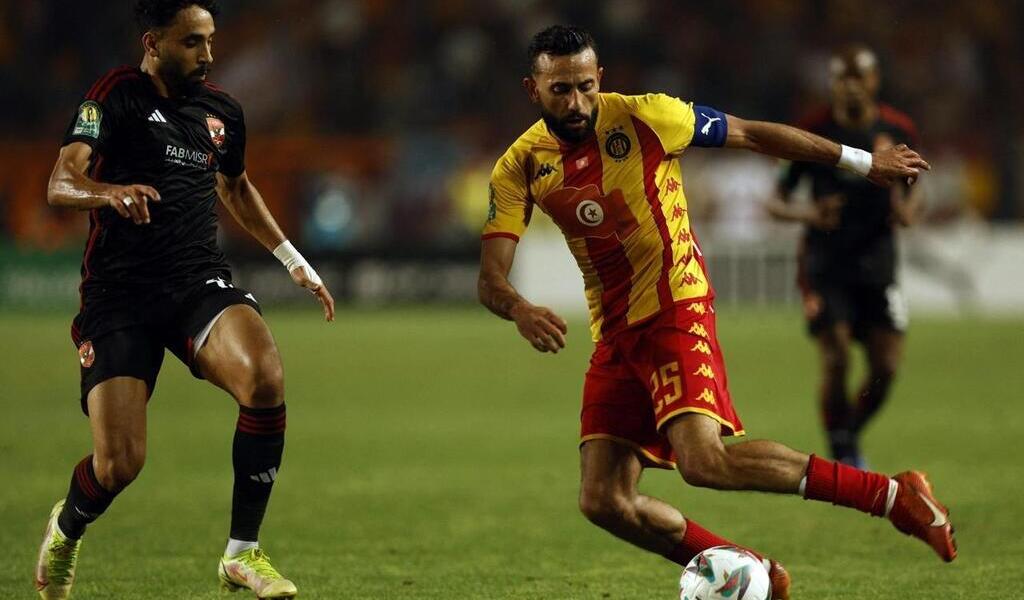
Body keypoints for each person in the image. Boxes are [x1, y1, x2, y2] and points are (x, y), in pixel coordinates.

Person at [477, 26, 955, 599]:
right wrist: (519, 307)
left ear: (599, 78)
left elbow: (753, 134)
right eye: (561, 91)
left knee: (704, 460)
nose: (576, 103)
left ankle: (895, 497)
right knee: (602, 500)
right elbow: (490, 278)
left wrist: (861, 162)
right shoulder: (519, 165)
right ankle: (753, 569)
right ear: (533, 89)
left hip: (676, 305)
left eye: (585, 86)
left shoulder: (648, 117)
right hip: (616, 333)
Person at [35, 2, 334, 598]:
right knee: (119, 465)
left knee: (266, 378)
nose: (208, 55)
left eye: (211, 41)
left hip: (196, 283)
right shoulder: (112, 97)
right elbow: (59, 182)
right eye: (193, 43)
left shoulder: (220, 112)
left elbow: (237, 187)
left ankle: (242, 552)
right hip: (119, 296)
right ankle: (66, 529)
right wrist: (109, 193)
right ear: (154, 42)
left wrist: (293, 260)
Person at [767, 45, 922, 466]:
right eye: (842, 78)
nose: (852, 87)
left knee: (886, 367)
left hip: (878, 262)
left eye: (860, 77)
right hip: (825, 263)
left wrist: (907, 210)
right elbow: (774, 202)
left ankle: (849, 432)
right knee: (835, 355)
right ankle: (840, 443)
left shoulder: (898, 126)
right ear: (832, 84)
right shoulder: (812, 130)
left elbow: (915, 181)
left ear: (875, 81)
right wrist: (810, 213)